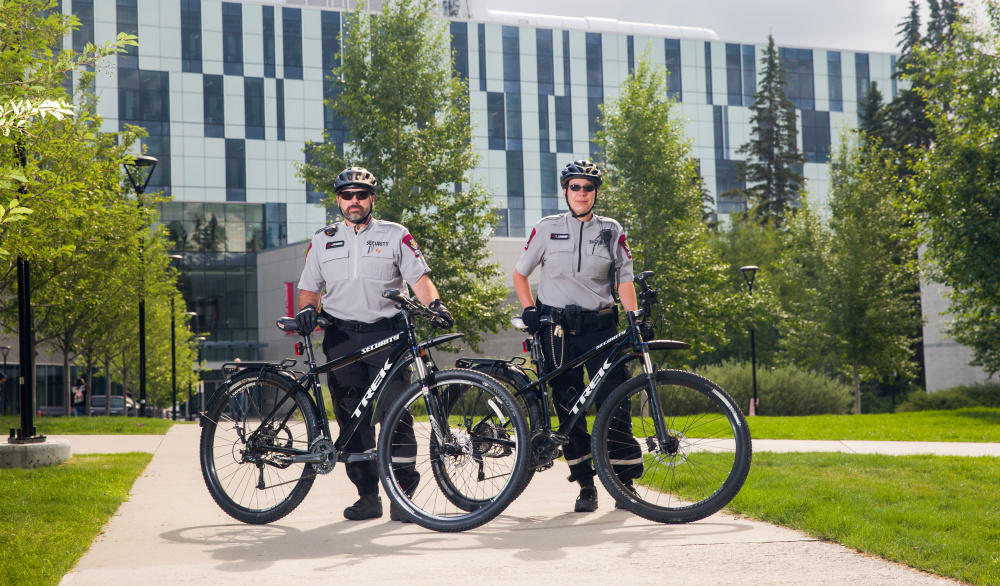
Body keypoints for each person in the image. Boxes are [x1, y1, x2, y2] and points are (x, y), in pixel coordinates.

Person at [296, 166, 454, 522]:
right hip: (340, 337)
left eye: (361, 195)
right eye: (348, 195)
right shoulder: (323, 238)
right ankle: (368, 497)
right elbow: (310, 287)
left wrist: (435, 305)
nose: (354, 201)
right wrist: (307, 309)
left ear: (371, 199)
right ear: (338, 199)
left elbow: (419, 279)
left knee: (397, 414)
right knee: (352, 419)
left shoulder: (395, 235)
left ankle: (403, 498)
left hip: (388, 335)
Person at [512, 160, 643, 513]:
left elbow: (624, 280)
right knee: (568, 406)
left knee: (616, 402)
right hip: (557, 331)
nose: (581, 193)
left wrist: (633, 319)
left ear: (596, 192)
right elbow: (520, 274)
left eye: (587, 187)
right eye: (575, 187)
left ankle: (624, 485)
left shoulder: (612, 230)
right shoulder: (546, 229)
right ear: (565, 190)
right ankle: (586, 485)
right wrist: (529, 310)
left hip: (602, 328)